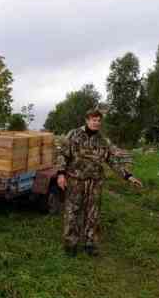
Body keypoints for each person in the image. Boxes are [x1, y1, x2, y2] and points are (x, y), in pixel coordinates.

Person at [57, 108, 142, 257]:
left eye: (98, 120)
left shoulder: (103, 141)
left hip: (95, 182)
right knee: (72, 212)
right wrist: (61, 174)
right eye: (93, 120)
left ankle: (90, 244)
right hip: (75, 180)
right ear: (87, 120)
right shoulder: (74, 134)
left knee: (93, 214)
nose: (96, 123)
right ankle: (71, 244)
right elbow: (63, 155)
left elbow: (112, 161)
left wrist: (128, 176)